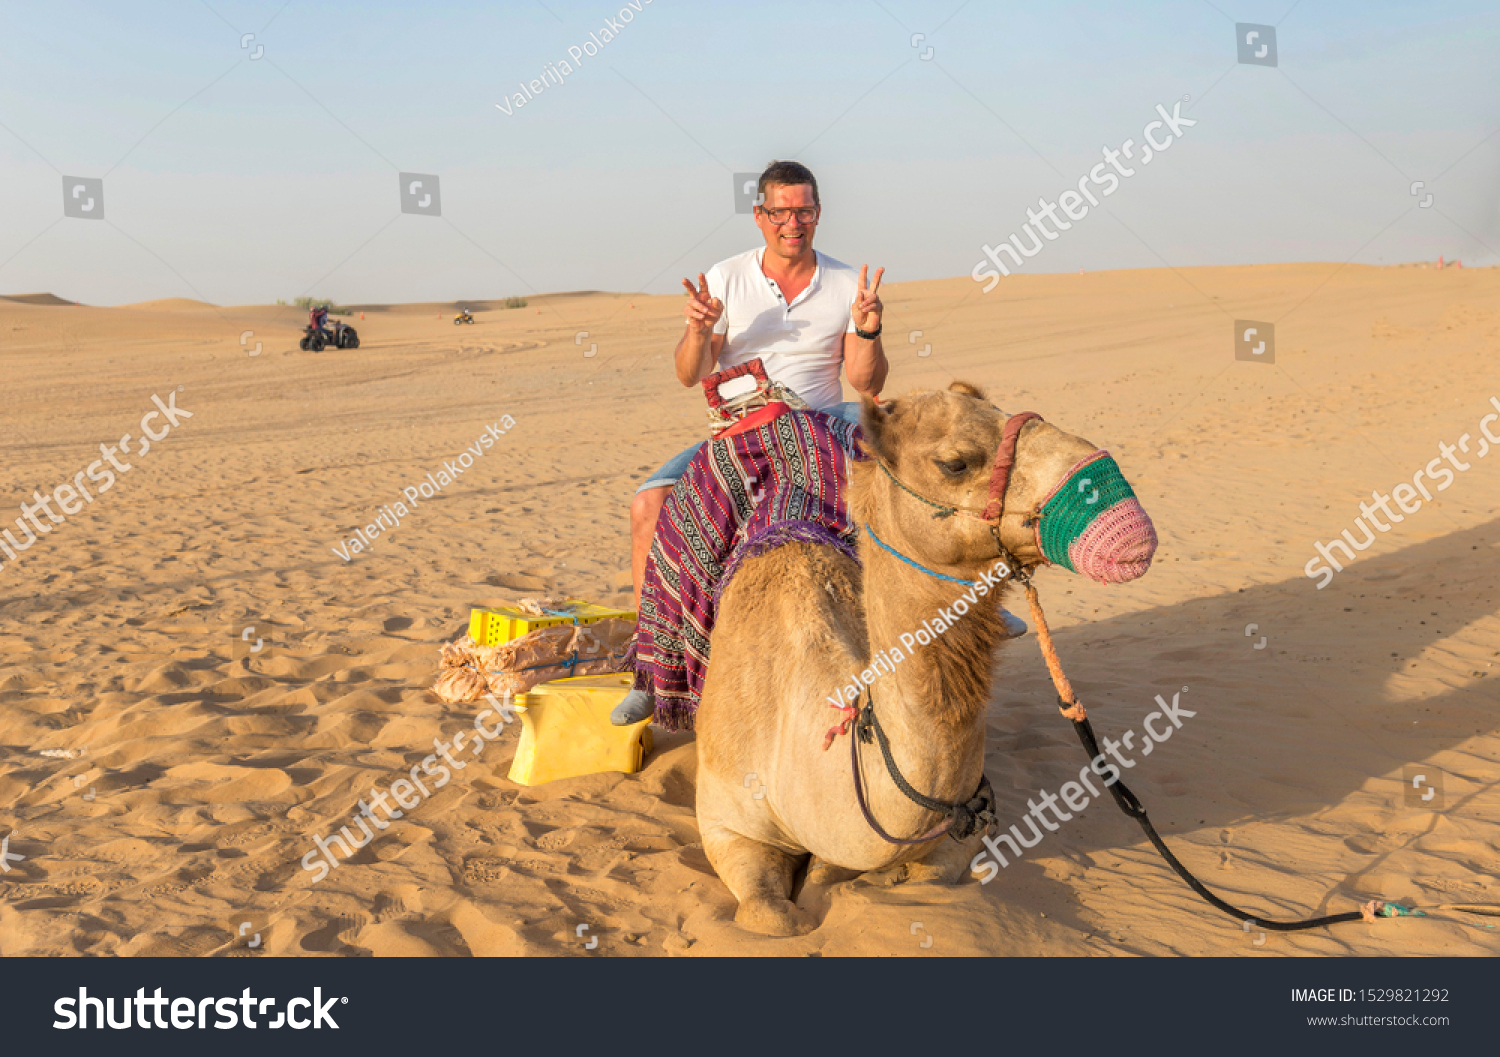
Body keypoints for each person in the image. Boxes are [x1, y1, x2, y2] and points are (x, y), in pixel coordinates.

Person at [613, 161, 1023, 725]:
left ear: (818, 213)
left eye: (803, 210)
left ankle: (967, 607)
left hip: (824, 421)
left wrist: (869, 326)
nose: (792, 222)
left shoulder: (845, 282)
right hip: (742, 429)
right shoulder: (727, 277)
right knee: (648, 504)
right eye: (780, 211)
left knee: (914, 489)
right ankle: (653, 672)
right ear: (759, 216)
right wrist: (698, 330)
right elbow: (690, 373)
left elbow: (867, 384)